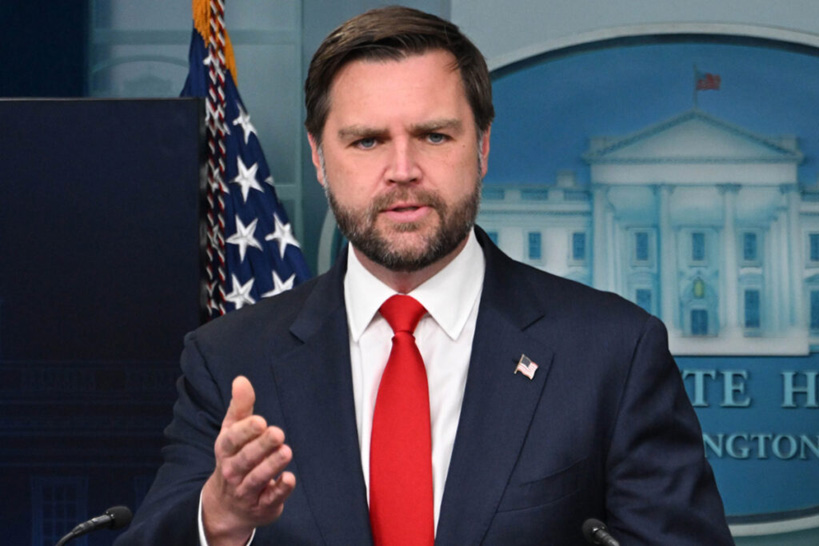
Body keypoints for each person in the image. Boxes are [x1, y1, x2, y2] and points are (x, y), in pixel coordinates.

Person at [116, 6, 734, 546]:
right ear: (319, 158)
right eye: (366, 141)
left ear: (482, 147)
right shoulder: (229, 359)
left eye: (434, 136)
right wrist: (220, 518)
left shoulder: (612, 352)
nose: (403, 169)